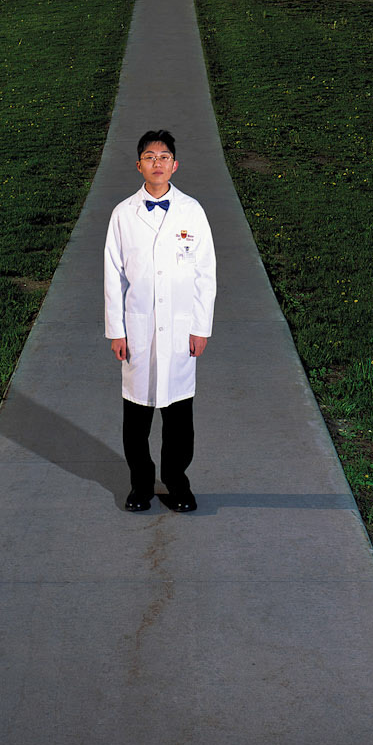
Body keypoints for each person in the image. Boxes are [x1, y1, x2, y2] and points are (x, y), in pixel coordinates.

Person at [103, 128, 217, 512]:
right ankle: (140, 484)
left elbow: (205, 273)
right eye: (150, 157)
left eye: (164, 157)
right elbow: (112, 275)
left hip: (180, 330)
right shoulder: (123, 214)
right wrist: (116, 330)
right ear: (139, 166)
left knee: (179, 415)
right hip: (138, 330)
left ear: (175, 164)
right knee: (136, 415)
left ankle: (176, 482)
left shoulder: (192, 211)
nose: (157, 163)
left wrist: (200, 327)